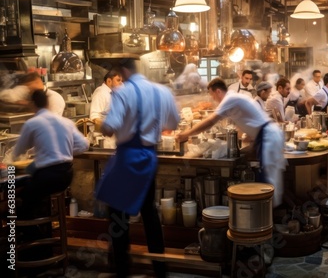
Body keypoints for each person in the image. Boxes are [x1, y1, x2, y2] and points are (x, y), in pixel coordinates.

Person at [96, 59, 180, 278]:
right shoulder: (162, 91)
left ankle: (122, 268)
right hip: (149, 157)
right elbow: (173, 124)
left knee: (117, 213)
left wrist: (101, 125)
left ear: (124, 72)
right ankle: (160, 268)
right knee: (149, 212)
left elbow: (109, 127)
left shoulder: (121, 92)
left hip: (126, 159)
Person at [176, 78, 285, 207]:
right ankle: (265, 218)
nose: (213, 99)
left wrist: (186, 134)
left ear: (217, 91)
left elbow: (210, 121)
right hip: (265, 135)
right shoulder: (234, 99)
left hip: (267, 136)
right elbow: (245, 121)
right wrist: (248, 137)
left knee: (268, 186)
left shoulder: (229, 99)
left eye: (212, 95)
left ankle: (267, 221)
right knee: (269, 183)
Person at [14, 89, 89, 219]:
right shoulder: (66, 122)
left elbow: (18, 151)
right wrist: (64, 151)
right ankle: (45, 227)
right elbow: (84, 145)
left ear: (33, 104)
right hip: (66, 175)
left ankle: (27, 233)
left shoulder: (32, 123)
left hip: (46, 177)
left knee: (18, 197)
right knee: (36, 194)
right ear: (48, 104)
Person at [0, 72, 66, 116]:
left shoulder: (54, 98)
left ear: (37, 82)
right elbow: (7, 95)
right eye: (27, 86)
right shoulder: (30, 93)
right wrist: (22, 102)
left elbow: (51, 120)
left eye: (30, 85)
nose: (29, 89)